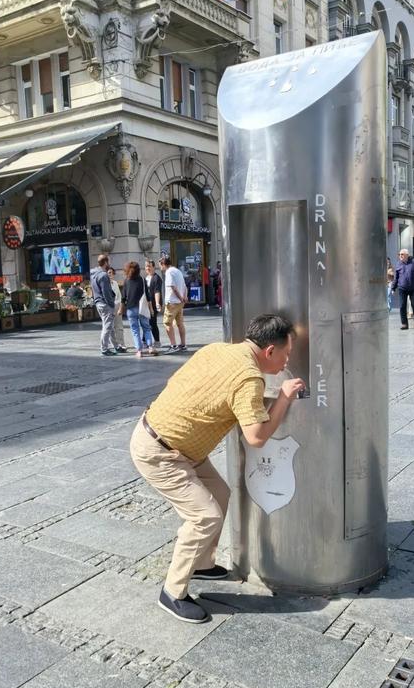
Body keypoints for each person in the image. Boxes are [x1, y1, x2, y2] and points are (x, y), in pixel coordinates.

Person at [130, 314, 305, 623]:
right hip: (160, 452)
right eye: (286, 354)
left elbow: (193, 387)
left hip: (173, 441)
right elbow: (256, 437)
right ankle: (172, 592)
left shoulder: (218, 349)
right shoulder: (250, 377)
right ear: (269, 351)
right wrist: (284, 398)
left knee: (220, 493)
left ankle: (201, 563)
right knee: (204, 516)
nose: (285, 361)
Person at [122, 261, 156, 359]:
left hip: (131, 308)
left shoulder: (126, 280)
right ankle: (150, 347)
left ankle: (139, 351)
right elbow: (147, 295)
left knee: (135, 330)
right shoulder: (142, 279)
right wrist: (151, 308)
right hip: (142, 307)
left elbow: (123, 297)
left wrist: (121, 309)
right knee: (146, 327)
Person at [90, 254, 118, 356]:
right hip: (105, 304)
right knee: (107, 327)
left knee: (109, 326)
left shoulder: (94, 275)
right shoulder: (103, 275)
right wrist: (112, 305)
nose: (109, 263)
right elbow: (106, 292)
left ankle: (116, 346)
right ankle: (104, 348)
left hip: (98, 302)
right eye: (108, 261)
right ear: (105, 262)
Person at [159, 255, 187, 353]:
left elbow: (173, 287)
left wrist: (180, 298)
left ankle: (173, 345)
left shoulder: (169, 272)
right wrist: (184, 298)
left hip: (172, 302)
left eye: (160, 265)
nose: (160, 267)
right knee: (180, 323)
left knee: (167, 323)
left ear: (163, 264)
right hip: (179, 303)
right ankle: (183, 344)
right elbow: (184, 286)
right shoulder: (177, 271)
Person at [392, 249, 414, 330]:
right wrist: (393, 287)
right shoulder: (398, 264)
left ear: (407, 255)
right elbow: (396, 277)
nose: (400, 256)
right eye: (399, 254)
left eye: (402, 254)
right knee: (402, 306)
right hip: (402, 288)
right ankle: (404, 324)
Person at [107, 267, 127, 353]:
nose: (109, 274)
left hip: (117, 305)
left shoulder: (115, 283)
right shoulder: (105, 284)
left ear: (114, 274)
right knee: (110, 327)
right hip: (109, 307)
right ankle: (114, 344)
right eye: (108, 272)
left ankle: (121, 343)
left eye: (111, 272)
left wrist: (120, 306)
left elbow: (119, 295)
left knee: (119, 326)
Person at [145, 260, 163, 348]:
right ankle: (144, 341)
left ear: (154, 267)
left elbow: (157, 291)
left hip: (153, 304)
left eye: (149, 266)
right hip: (146, 304)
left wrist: (157, 303)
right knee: (146, 322)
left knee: (152, 322)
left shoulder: (156, 278)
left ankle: (157, 341)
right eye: (146, 266)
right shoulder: (146, 278)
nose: (147, 268)